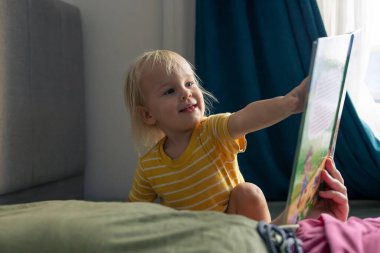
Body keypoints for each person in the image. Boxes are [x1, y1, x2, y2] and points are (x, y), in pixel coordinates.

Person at [124, 49, 309, 223]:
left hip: (233, 229)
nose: (186, 93)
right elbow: (133, 212)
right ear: (148, 115)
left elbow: (248, 117)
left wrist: (289, 103)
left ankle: (269, 237)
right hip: (192, 238)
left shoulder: (212, 130)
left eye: (189, 83)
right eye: (170, 91)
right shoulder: (149, 165)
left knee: (248, 193)